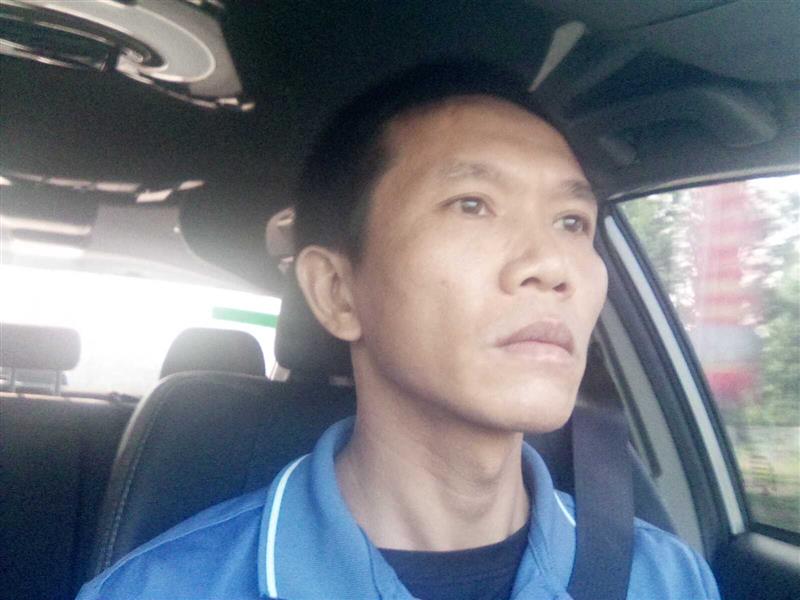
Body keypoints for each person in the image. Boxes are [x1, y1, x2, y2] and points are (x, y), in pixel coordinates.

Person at [77, 62, 721, 600]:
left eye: (573, 222)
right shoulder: (164, 589)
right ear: (337, 292)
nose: (553, 266)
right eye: (472, 205)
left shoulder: (665, 579)